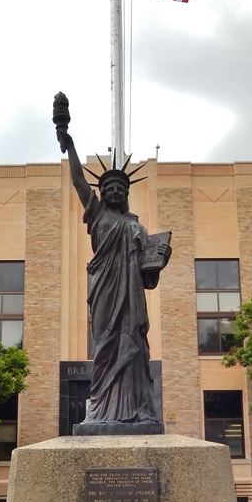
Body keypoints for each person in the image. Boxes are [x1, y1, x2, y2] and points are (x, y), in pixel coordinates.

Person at [56, 128, 170, 430]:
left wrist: (160, 259)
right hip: (105, 291)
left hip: (132, 296)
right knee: (106, 346)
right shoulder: (97, 216)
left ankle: (137, 411)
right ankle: (103, 410)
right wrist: (71, 146)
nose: (116, 192)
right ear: (103, 195)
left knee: (133, 345)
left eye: (121, 188)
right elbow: (80, 182)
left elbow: (149, 279)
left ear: (127, 195)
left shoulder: (137, 227)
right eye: (110, 188)